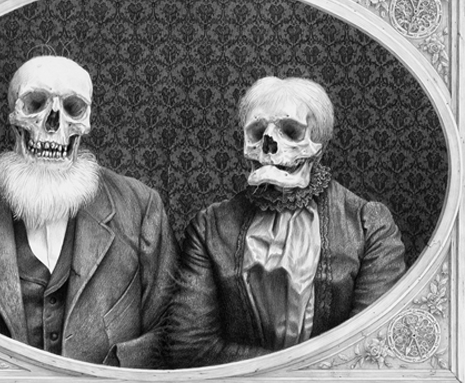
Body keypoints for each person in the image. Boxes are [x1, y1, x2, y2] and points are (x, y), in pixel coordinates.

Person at [0, 56, 178, 368]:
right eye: (34, 105)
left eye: (72, 109)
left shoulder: (140, 206)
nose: (53, 124)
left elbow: (170, 334)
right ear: (14, 117)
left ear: (86, 122)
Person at [165, 76, 405, 368]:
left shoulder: (369, 225)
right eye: (257, 133)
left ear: (318, 143)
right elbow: (189, 347)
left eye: (291, 132)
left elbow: (372, 343)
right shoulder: (209, 227)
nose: (269, 146)